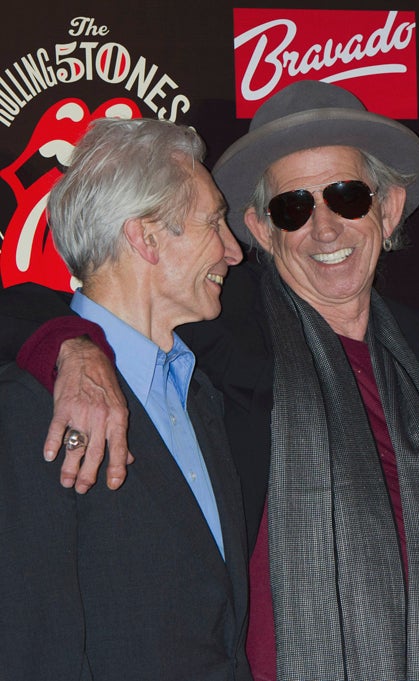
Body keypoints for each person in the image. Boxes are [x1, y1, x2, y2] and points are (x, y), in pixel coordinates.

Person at [0, 82, 419, 681]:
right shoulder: (227, 329)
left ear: (386, 210)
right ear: (262, 229)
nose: (326, 228)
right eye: (293, 207)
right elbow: (62, 301)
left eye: (347, 196)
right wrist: (70, 347)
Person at [0, 117, 251, 679]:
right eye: (214, 221)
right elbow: (30, 647)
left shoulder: (200, 395)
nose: (233, 251)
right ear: (145, 237)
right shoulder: (29, 410)